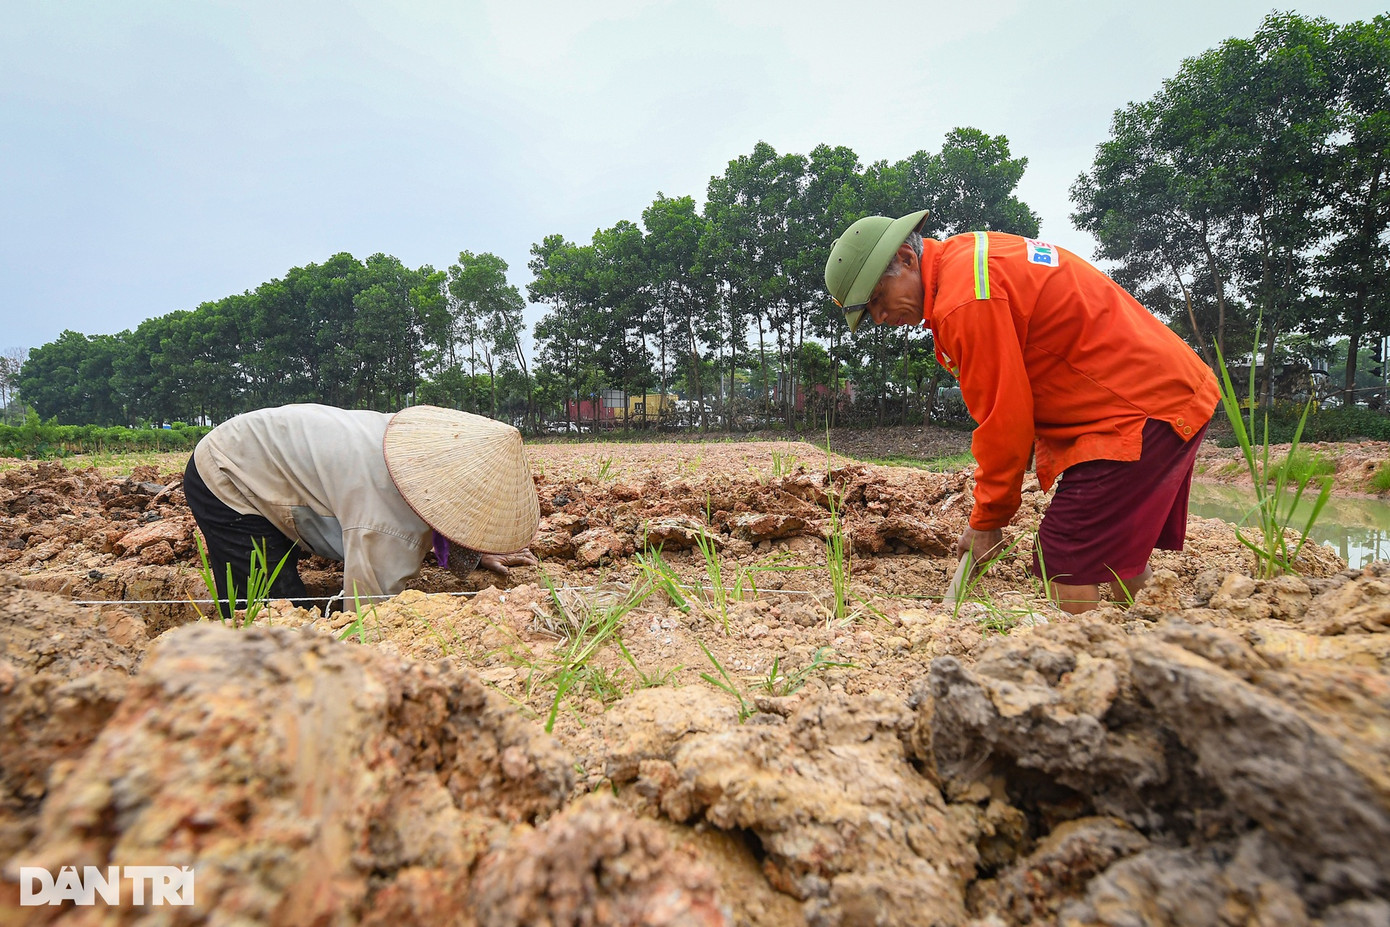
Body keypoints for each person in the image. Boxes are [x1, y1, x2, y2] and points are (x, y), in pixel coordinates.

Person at [824, 210, 1220, 613]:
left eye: (878, 299)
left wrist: (987, 521)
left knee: (1065, 553)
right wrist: (988, 519)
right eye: (869, 312)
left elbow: (1005, 421)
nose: (880, 318)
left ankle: (1083, 650)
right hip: (1155, 395)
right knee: (1109, 547)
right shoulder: (964, 264)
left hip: (1140, 410)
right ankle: (1153, 629)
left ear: (907, 258)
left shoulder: (966, 300)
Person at [183, 403, 540, 614]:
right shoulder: (387, 523)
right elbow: (366, 617)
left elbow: (447, 507)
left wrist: (475, 549)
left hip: (272, 454)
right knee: (274, 619)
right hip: (228, 471)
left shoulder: (413, 449)